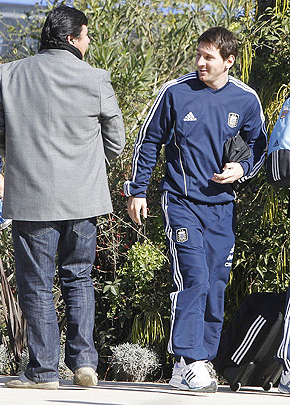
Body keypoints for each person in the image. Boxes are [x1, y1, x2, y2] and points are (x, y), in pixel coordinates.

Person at [124, 27, 267, 392]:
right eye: (199, 54)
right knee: (193, 278)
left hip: (222, 207)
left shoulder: (247, 100)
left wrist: (242, 169)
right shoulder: (176, 92)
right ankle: (193, 358)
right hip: (181, 202)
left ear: (229, 61)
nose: (201, 62)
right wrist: (137, 191)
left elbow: (260, 148)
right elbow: (148, 141)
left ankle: (185, 364)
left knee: (216, 284)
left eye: (209, 57)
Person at [0, 5, 125, 389]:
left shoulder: (10, 73)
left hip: (31, 195)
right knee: (78, 277)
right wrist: (81, 163)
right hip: (84, 198)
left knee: (35, 282)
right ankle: (84, 365)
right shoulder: (97, 78)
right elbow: (116, 143)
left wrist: (21, 154)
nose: (89, 42)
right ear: (72, 39)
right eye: (86, 35)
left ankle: (43, 372)